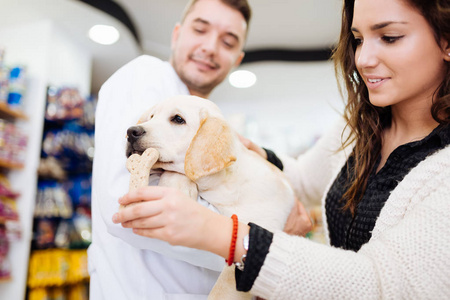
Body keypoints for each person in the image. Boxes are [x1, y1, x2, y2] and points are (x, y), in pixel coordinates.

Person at [113, 0, 450, 298]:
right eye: (358, 39)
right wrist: (248, 152)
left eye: (389, 37)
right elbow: (303, 179)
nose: (363, 58)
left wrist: (229, 237)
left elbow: (378, 285)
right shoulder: (359, 125)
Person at [88, 0, 260, 299]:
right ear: (176, 34)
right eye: (200, 29)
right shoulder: (146, 75)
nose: (210, 47)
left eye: (227, 41)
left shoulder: (211, 122)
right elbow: (129, 204)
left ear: (237, 58)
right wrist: (257, 245)